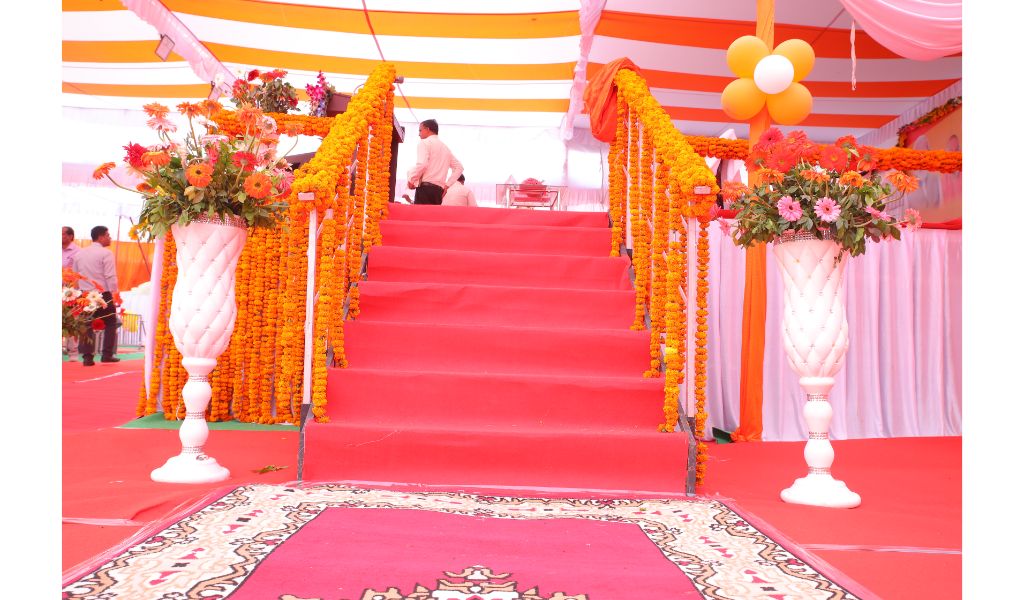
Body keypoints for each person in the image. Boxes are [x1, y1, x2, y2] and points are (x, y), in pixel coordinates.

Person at [73, 225, 122, 366]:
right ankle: (107, 354)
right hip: (102, 294)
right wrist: (114, 292)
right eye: (108, 235)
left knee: (86, 324)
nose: (110, 238)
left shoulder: (79, 254)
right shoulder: (106, 254)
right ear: (101, 237)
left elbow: (76, 276)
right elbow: (110, 275)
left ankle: (87, 357)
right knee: (111, 323)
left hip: (85, 295)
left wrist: (77, 294)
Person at [406, 119, 463, 205]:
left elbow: (422, 164)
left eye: (420, 130)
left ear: (427, 129)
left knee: (421, 214)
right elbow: (459, 167)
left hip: (425, 189)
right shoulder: (445, 148)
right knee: (432, 214)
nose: (419, 134)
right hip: (438, 192)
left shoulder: (424, 143)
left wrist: (411, 180)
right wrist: (447, 186)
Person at [62, 226, 82, 359]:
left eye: (62, 234)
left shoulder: (78, 252)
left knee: (71, 321)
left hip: (70, 291)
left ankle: (73, 352)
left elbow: (80, 272)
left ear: (70, 236)